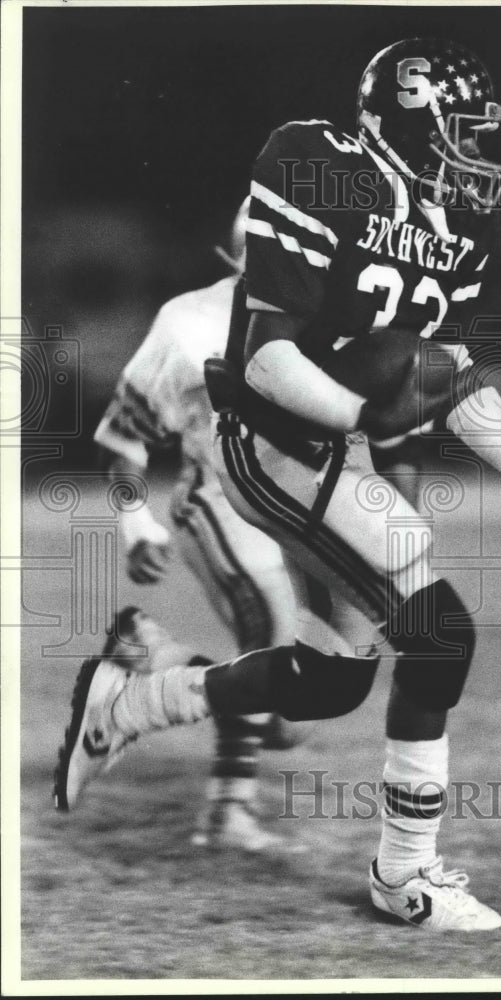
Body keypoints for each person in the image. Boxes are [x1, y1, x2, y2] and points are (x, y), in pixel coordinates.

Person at [55, 38, 501, 931]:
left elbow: (450, 374)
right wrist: (368, 416)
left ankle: (133, 703)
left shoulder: (458, 222)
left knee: (328, 682)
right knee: (442, 635)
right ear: (412, 117)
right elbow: (268, 357)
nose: (478, 149)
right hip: (274, 442)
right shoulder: (317, 163)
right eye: (464, 128)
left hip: (338, 447)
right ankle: (406, 877)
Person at [86, 204, 313, 852]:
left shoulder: (335, 315)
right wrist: (135, 519)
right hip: (219, 499)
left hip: (302, 514)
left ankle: (153, 660)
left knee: (291, 717)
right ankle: (227, 813)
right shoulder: (191, 322)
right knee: (270, 631)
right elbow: (124, 436)